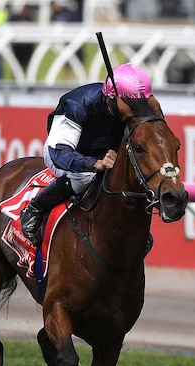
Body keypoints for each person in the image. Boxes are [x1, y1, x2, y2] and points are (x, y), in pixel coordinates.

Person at [19, 63, 152, 245]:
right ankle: (34, 208)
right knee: (86, 176)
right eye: (133, 105)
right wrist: (93, 164)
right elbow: (60, 153)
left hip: (102, 152)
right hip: (64, 153)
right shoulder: (77, 104)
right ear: (112, 98)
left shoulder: (127, 104)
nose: (137, 111)